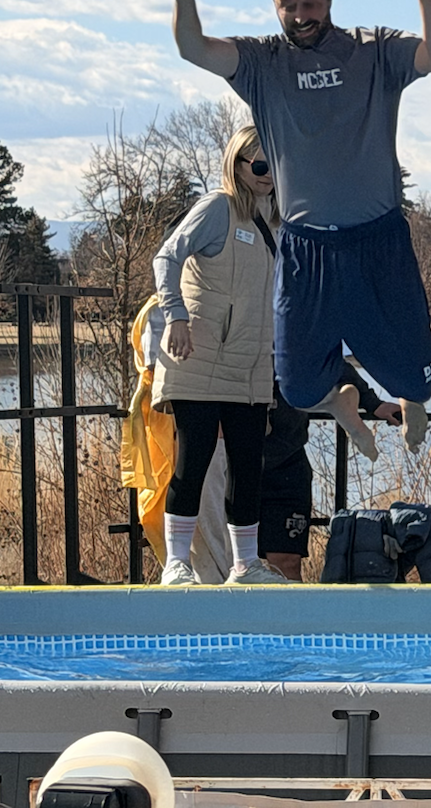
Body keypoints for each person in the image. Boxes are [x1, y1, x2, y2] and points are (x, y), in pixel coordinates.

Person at [169, 0, 431, 449]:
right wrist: (185, 0)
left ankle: (410, 396)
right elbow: (194, 48)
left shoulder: (374, 49)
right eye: (289, 6)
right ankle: (342, 398)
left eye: (311, 3)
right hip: (306, 247)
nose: (301, 15)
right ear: (275, 6)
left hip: (377, 241)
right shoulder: (262, 62)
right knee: (298, 388)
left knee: (417, 377)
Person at [150, 127, 286, 585]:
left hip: (251, 365)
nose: (267, 175)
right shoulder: (217, 208)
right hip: (199, 356)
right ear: (237, 164)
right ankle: (177, 564)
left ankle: (245, 565)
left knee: (248, 467)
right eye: (259, 165)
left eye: (274, 165)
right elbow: (166, 257)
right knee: (193, 460)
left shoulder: (278, 222)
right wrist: (175, 315)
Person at [260, 363, 401, 581]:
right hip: (230, 465)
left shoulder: (290, 347)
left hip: (288, 466)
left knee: (287, 561)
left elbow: (331, 363)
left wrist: (373, 404)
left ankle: (290, 606)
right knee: (228, 561)